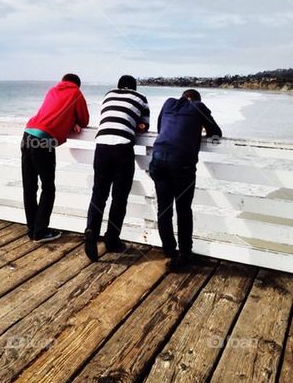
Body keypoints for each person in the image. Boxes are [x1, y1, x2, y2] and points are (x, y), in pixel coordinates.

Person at [150, 89, 221, 271]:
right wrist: (199, 128)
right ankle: (184, 253)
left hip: (158, 158)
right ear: (196, 99)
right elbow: (216, 132)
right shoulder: (198, 107)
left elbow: (161, 128)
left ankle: (169, 251)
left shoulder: (167, 103)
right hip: (181, 164)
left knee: (164, 208)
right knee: (183, 208)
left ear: (182, 97)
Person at [84, 75, 150, 261]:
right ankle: (112, 240)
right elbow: (143, 126)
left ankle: (91, 230)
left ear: (118, 87)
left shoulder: (108, 95)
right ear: (134, 87)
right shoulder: (141, 98)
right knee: (119, 197)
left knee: (99, 193)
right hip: (122, 147)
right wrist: (137, 124)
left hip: (102, 146)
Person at [21, 74, 90, 243]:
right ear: (77, 85)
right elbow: (85, 120)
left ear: (63, 81)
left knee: (29, 187)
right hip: (43, 141)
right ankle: (41, 231)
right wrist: (75, 120)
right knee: (48, 188)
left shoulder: (52, 90)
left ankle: (32, 229)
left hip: (27, 135)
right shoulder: (76, 93)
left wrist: (70, 119)